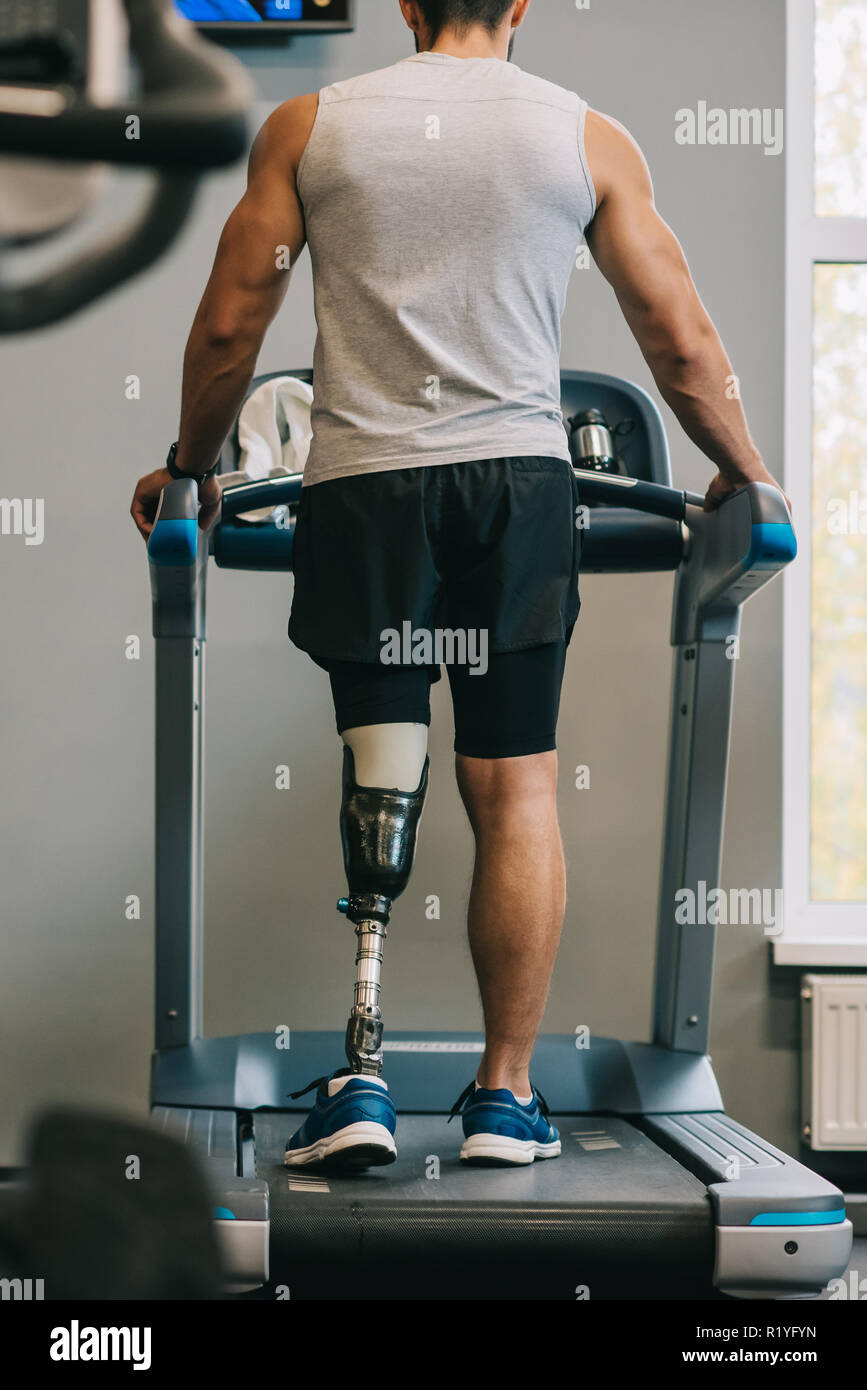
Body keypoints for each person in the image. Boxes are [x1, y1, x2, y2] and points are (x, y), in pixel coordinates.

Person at [131, 0, 787, 1168]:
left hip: (367, 490)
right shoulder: (586, 136)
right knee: (516, 790)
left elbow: (235, 321)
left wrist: (189, 467)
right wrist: (751, 475)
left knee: (380, 769)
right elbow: (679, 339)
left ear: (404, 5)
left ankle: (366, 1081)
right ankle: (502, 1096)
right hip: (519, 495)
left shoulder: (308, 125)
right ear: (522, 4)